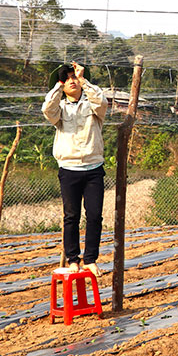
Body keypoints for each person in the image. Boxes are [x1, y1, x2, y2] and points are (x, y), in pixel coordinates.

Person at [42, 62, 108, 277]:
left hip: (93, 168)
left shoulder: (93, 106)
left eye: (74, 77)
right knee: (71, 216)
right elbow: (47, 109)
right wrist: (58, 85)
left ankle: (90, 259)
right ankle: (73, 259)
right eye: (67, 78)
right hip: (69, 169)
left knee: (95, 215)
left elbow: (102, 101)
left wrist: (84, 80)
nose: (72, 80)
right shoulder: (59, 108)